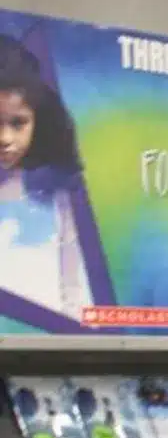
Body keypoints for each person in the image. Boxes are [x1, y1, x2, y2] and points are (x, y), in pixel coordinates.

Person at [0, 35, 93, 320]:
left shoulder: (58, 194)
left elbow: (73, 286)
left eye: (18, 123)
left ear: (39, 121)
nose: (5, 139)